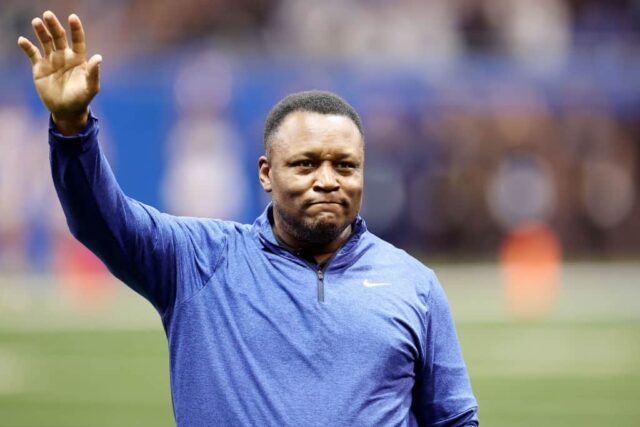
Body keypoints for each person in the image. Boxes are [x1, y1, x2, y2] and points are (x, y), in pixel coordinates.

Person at [18, 11, 479, 427]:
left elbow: (454, 419)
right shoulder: (197, 261)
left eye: (345, 165)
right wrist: (73, 127)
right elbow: (102, 221)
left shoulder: (414, 284)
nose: (327, 180)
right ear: (266, 173)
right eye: (305, 164)